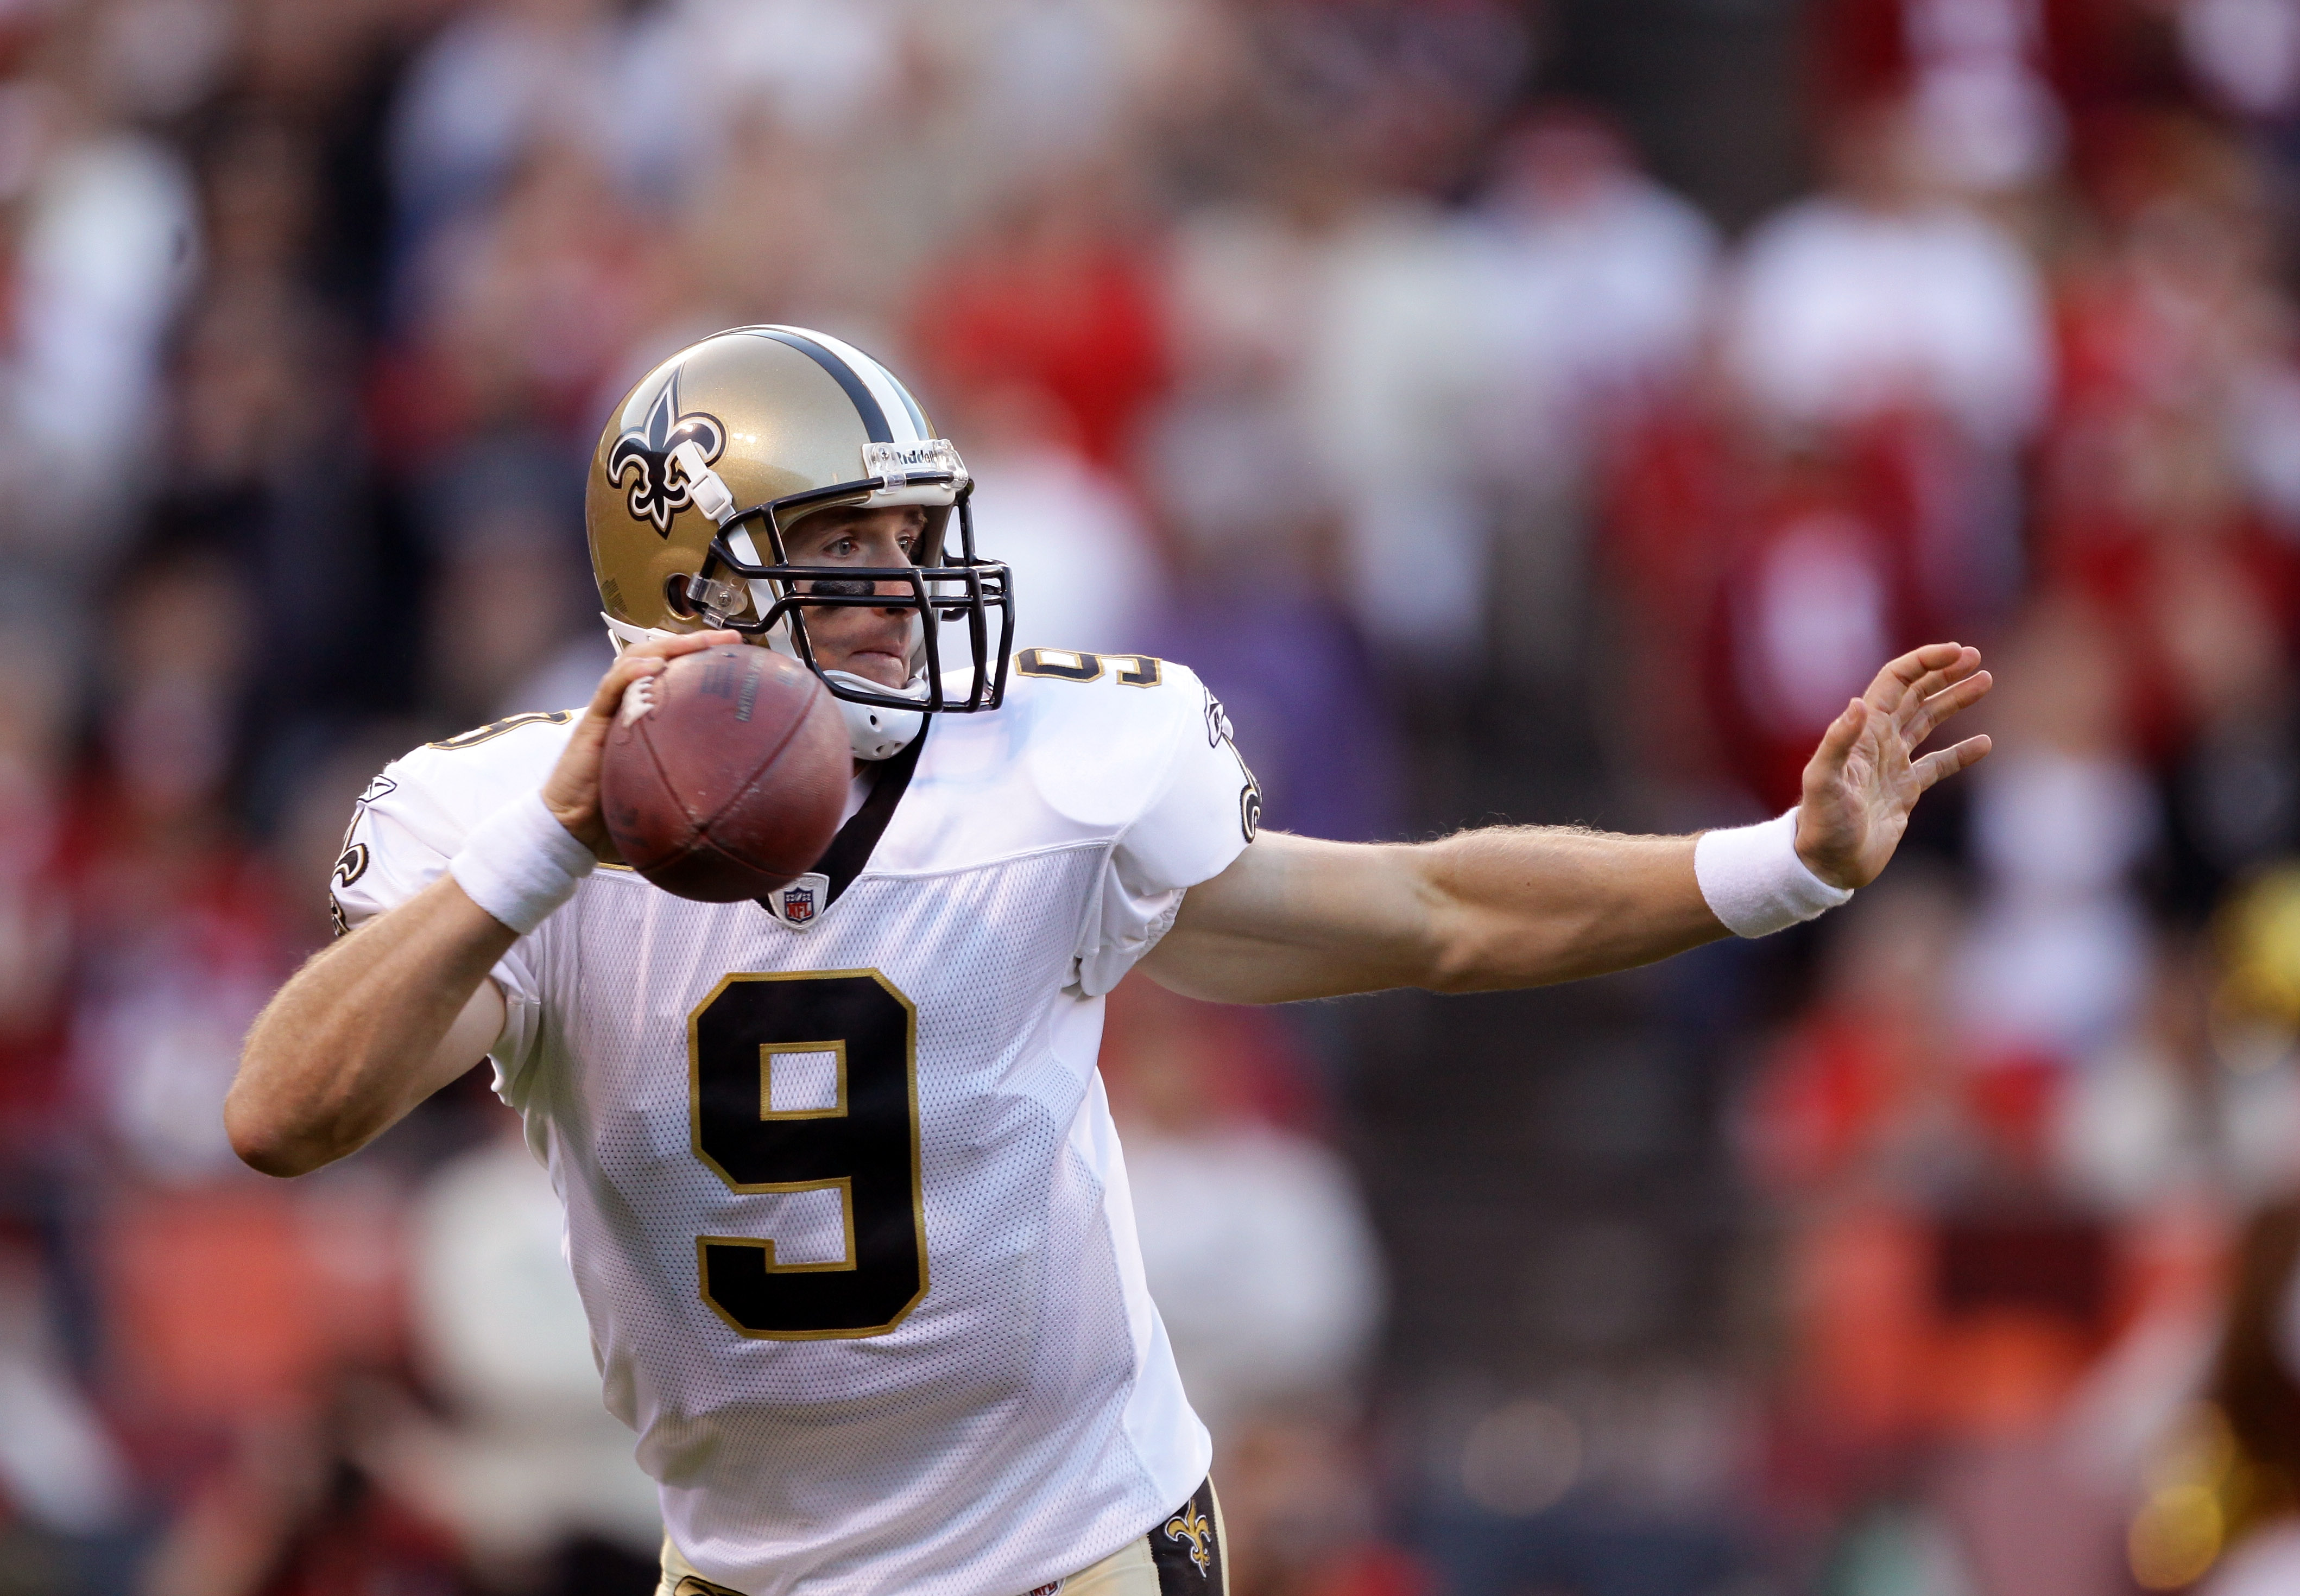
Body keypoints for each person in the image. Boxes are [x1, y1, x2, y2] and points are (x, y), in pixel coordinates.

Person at [223, 326, 1993, 1596]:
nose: (910, 589)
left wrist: (1782, 864)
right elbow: (284, 1116)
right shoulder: (504, 830)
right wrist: (553, 849)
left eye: (915, 538)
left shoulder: (1053, 773)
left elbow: (1430, 910)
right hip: (751, 1565)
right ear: (687, 592)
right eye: (843, 549)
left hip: (1073, 1545)